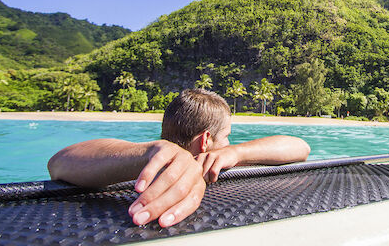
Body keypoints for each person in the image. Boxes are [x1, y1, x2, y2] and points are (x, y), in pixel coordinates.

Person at [47, 88, 310, 228]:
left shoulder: (221, 159)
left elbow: (299, 147)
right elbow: (58, 162)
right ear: (206, 140)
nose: (229, 143)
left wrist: (237, 152)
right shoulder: (147, 160)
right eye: (227, 136)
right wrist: (150, 153)